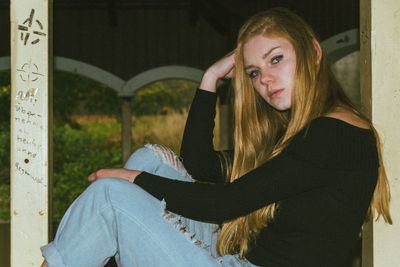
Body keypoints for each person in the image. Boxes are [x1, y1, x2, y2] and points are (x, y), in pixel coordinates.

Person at [41, 7, 392, 267]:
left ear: (314, 53)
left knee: (110, 195)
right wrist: (209, 80)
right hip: (237, 262)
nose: (265, 79)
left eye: (276, 59)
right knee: (149, 159)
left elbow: (225, 203)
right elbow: (200, 165)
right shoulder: (298, 134)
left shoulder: (335, 133)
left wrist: (133, 180)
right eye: (253, 72)